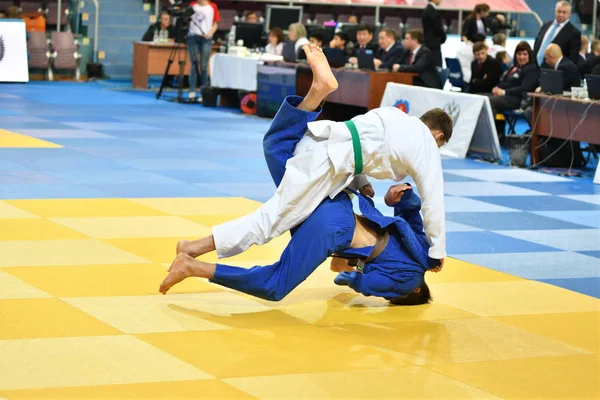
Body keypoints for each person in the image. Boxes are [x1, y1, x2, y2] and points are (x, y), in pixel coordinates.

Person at [159, 72, 442, 303]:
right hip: (332, 226)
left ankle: (313, 97)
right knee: (274, 278)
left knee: (277, 149)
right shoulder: (410, 280)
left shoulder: (396, 117)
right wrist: (353, 276)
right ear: (416, 291)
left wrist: (393, 198)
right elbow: (362, 280)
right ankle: (192, 265)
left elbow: (411, 207)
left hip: (336, 192)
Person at [490, 41, 539, 119]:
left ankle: (489, 129)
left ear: (529, 55)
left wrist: (504, 92)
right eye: (519, 54)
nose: (521, 57)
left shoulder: (531, 69)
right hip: (506, 96)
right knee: (484, 98)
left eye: (524, 54)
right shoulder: (514, 67)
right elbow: (505, 82)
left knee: (491, 101)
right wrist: (497, 88)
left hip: (519, 99)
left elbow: (524, 88)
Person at [533, 1, 581, 66]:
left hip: (554, 71)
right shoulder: (545, 25)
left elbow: (573, 58)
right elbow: (537, 44)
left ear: (569, 14)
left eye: (564, 12)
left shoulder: (574, 33)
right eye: (559, 11)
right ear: (555, 11)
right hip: (534, 67)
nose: (561, 14)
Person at [188, 0, 219, 93]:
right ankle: (192, 90)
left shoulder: (212, 6)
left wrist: (210, 33)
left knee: (204, 65)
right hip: (193, 37)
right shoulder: (192, 5)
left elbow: (215, 24)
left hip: (206, 38)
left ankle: (204, 91)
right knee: (194, 64)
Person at [422, 0, 446, 68]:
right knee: (436, 68)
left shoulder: (428, 9)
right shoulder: (431, 11)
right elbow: (437, 27)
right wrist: (443, 37)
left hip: (429, 43)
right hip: (433, 44)